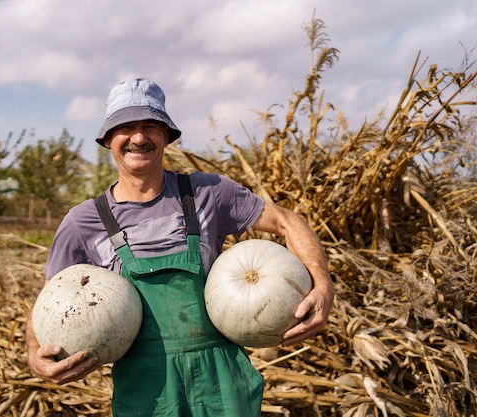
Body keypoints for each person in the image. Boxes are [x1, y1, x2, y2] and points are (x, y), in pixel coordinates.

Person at [26, 78, 334, 416]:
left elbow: (287, 221)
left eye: (150, 126)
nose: (139, 137)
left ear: (166, 136)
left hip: (223, 387)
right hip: (149, 398)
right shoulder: (84, 220)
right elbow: (49, 300)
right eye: (126, 127)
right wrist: (34, 354)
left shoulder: (207, 192)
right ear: (108, 139)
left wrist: (322, 284)